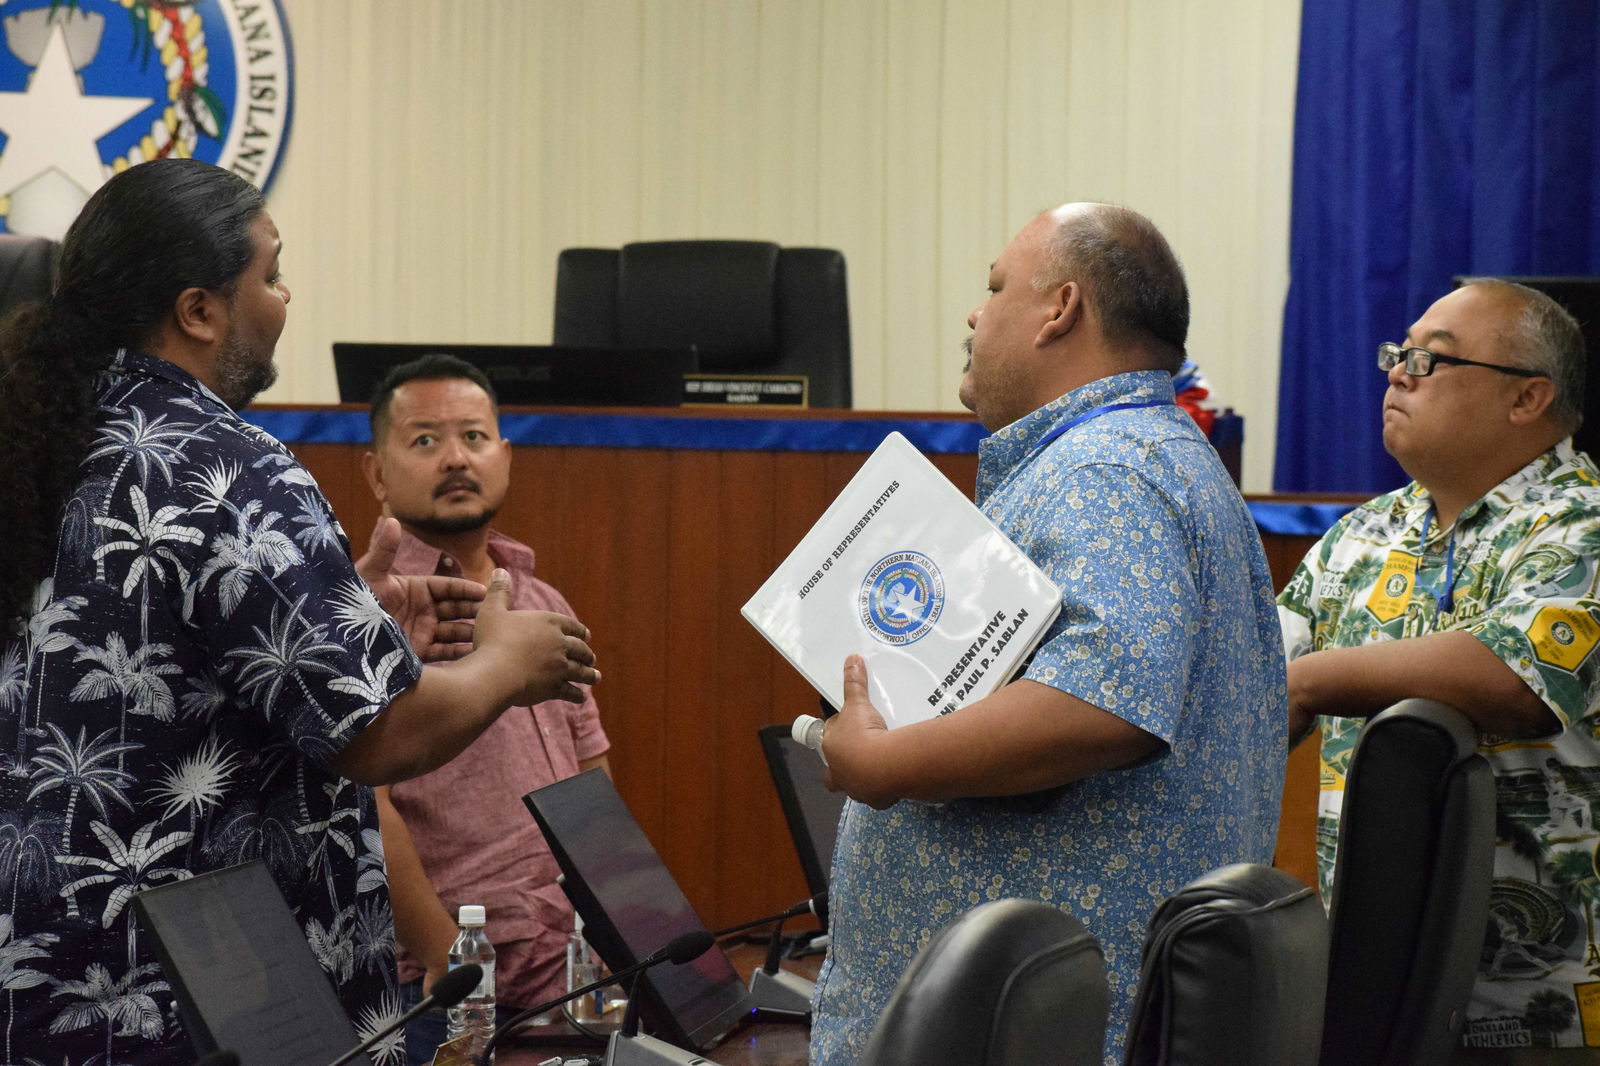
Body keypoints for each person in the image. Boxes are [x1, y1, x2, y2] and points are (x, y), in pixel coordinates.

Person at [0, 158, 599, 1066]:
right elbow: (380, 733)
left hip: (45, 982)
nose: (287, 295)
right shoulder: (230, 466)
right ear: (199, 311)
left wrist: (348, 607)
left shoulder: (39, 440)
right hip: (201, 1001)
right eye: (271, 273)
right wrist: (508, 661)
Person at [811, 203, 1287, 1064]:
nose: (973, 314)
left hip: (1042, 1030)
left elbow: (1103, 702)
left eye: (994, 288)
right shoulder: (1150, 452)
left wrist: (883, 765)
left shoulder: (1103, 468)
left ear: (1060, 309)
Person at [1278, 279, 1600, 1061]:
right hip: (1368, 991)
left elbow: (1510, 678)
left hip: (1542, 1011)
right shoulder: (1361, 533)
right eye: (1399, 355)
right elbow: (1255, 689)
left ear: (1528, 398)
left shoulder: (1584, 522)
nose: (1398, 373)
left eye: (1433, 360)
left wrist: (1310, 680)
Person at [360, 354, 611, 1064]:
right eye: (424, 440)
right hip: (454, 973)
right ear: (377, 472)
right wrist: (450, 957)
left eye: (473, 437)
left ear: (505, 455)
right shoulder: (374, 613)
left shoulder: (544, 603)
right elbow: (364, 807)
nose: (455, 459)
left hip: (572, 961)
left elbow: (592, 779)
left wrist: (620, 924)